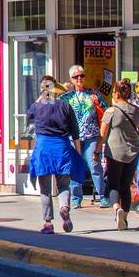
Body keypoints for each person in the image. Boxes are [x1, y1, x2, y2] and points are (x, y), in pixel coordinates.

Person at [26, 76, 88, 234]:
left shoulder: (37, 106)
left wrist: (41, 97)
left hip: (43, 149)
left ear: (42, 90)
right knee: (63, 184)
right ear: (55, 89)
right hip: (62, 148)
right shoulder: (65, 106)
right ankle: (64, 208)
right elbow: (75, 132)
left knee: (45, 188)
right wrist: (79, 153)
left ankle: (48, 223)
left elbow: (28, 120)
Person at [100, 78, 139, 232]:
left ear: (117, 93)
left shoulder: (111, 111)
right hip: (132, 153)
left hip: (114, 153)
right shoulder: (136, 110)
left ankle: (116, 208)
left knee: (113, 184)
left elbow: (103, 133)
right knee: (125, 186)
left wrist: (97, 150)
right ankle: (125, 218)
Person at [62, 65, 107, 209]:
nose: (79, 79)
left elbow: (106, 110)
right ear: (71, 79)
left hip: (91, 135)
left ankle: (103, 196)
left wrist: (98, 103)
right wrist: (63, 88)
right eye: (76, 77)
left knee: (94, 165)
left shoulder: (93, 94)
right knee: (75, 166)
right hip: (74, 137)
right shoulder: (67, 96)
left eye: (82, 75)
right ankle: (76, 198)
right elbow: (53, 104)